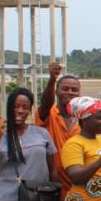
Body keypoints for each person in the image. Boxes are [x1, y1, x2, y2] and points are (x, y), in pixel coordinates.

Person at [35, 61, 80, 191]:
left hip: (78, 186)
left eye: (74, 90)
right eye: (65, 89)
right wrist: (52, 79)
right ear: (56, 92)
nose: (70, 92)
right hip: (52, 186)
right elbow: (45, 104)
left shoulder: (83, 119)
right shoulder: (49, 114)